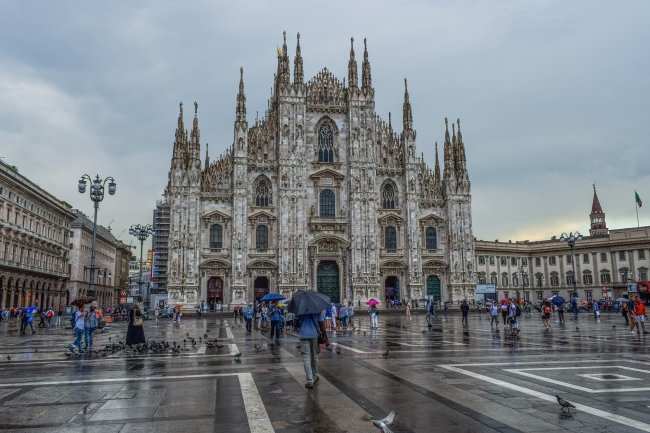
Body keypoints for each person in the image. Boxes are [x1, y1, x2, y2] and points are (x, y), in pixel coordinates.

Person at [298, 309, 328, 389]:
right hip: (314, 335)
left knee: (306, 358)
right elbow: (321, 324)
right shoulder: (317, 309)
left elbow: (296, 323)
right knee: (314, 357)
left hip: (304, 335)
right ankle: (315, 377)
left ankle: (310, 381)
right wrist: (326, 338)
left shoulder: (300, 309)